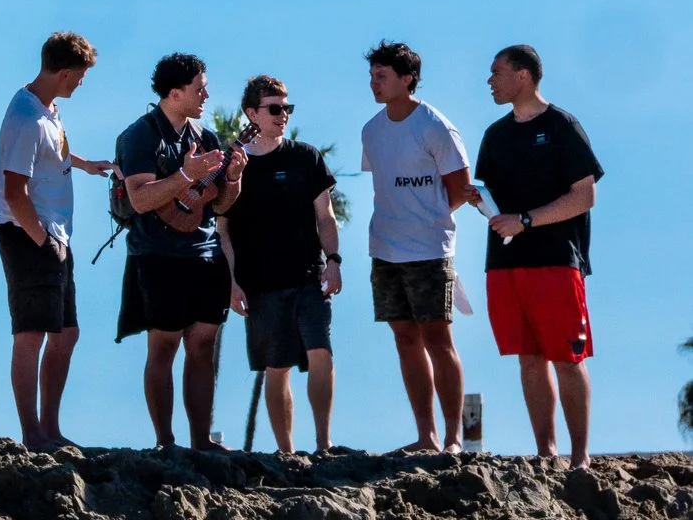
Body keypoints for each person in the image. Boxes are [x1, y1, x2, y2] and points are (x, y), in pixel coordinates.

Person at [474, 45, 603, 467]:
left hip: (555, 260)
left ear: (524, 75)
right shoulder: (495, 134)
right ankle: (546, 452)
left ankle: (580, 457)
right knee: (528, 357)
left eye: (497, 71)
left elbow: (585, 196)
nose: (490, 80)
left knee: (568, 357)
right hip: (506, 264)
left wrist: (525, 221)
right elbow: (490, 196)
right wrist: (478, 201)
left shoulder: (563, 125)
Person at [115, 53, 246, 450]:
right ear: (174, 93)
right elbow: (139, 199)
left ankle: (201, 440)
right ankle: (165, 441)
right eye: (198, 87)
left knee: (203, 346)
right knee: (165, 345)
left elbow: (220, 205)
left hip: (205, 252)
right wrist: (186, 173)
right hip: (157, 254)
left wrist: (234, 177)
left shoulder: (204, 138)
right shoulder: (140, 135)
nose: (206, 94)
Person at [0, 32, 112, 449]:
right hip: (28, 233)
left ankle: (51, 428)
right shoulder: (25, 116)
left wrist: (83, 164)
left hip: (55, 235)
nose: (81, 83)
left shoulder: (48, 110)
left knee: (66, 333)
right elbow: (13, 189)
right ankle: (33, 433)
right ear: (64, 73)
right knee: (32, 333)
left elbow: (51, 151)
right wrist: (40, 238)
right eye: (79, 76)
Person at [360, 41, 479, 454]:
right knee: (404, 339)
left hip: (429, 248)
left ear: (407, 79)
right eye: (372, 75)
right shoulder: (371, 130)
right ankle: (426, 435)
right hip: (385, 248)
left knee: (438, 339)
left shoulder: (434, 125)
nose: (374, 82)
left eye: (382, 75)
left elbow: (461, 188)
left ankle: (453, 438)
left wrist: (428, 219)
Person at [217, 75, 341, 455]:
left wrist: (334, 261)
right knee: (277, 366)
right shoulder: (231, 163)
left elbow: (326, 216)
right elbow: (222, 229)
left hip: (308, 276)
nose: (282, 115)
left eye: (286, 108)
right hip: (260, 284)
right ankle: (286, 453)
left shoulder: (305, 156)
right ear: (251, 113)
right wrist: (232, 282)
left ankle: (323, 444)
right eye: (274, 108)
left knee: (321, 352)